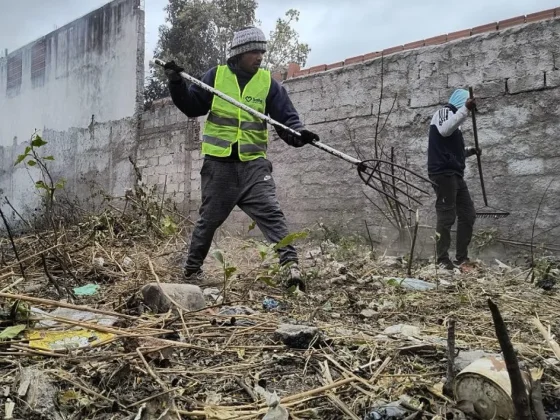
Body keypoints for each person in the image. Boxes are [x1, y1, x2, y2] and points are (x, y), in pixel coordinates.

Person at [163, 26, 319, 291]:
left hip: (253, 165)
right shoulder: (216, 76)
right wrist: (177, 83)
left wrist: (299, 134)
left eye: (262, 51)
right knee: (208, 221)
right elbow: (191, 106)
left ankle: (291, 267)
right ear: (239, 53)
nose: (260, 56)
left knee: (272, 212)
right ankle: (191, 271)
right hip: (219, 166)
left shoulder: (268, 83)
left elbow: (286, 119)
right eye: (254, 51)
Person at [427, 89, 480, 270]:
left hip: (455, 174)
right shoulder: (444, 112)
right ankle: (442, 260)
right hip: (442, 173)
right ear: (462, 101)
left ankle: (461, 258)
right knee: (447, 215)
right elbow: (444, 130)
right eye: (467, 104)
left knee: (467, 214)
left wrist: (470, 151)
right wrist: (464, 110)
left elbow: (453, 152)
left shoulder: (456, 124)